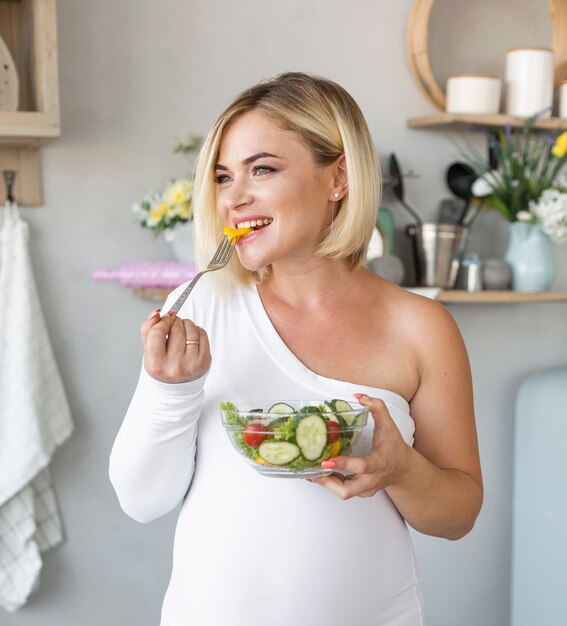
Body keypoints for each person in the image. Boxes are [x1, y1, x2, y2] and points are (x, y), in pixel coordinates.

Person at [109, 72, 483, 626]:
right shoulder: (201, 308)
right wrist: (171, 390)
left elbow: (458, 515)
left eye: (262, 169)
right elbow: (141, 501)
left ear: (338, 177)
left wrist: (399, 469)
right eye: (222, 176)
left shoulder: (422, 327)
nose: (234, 197)